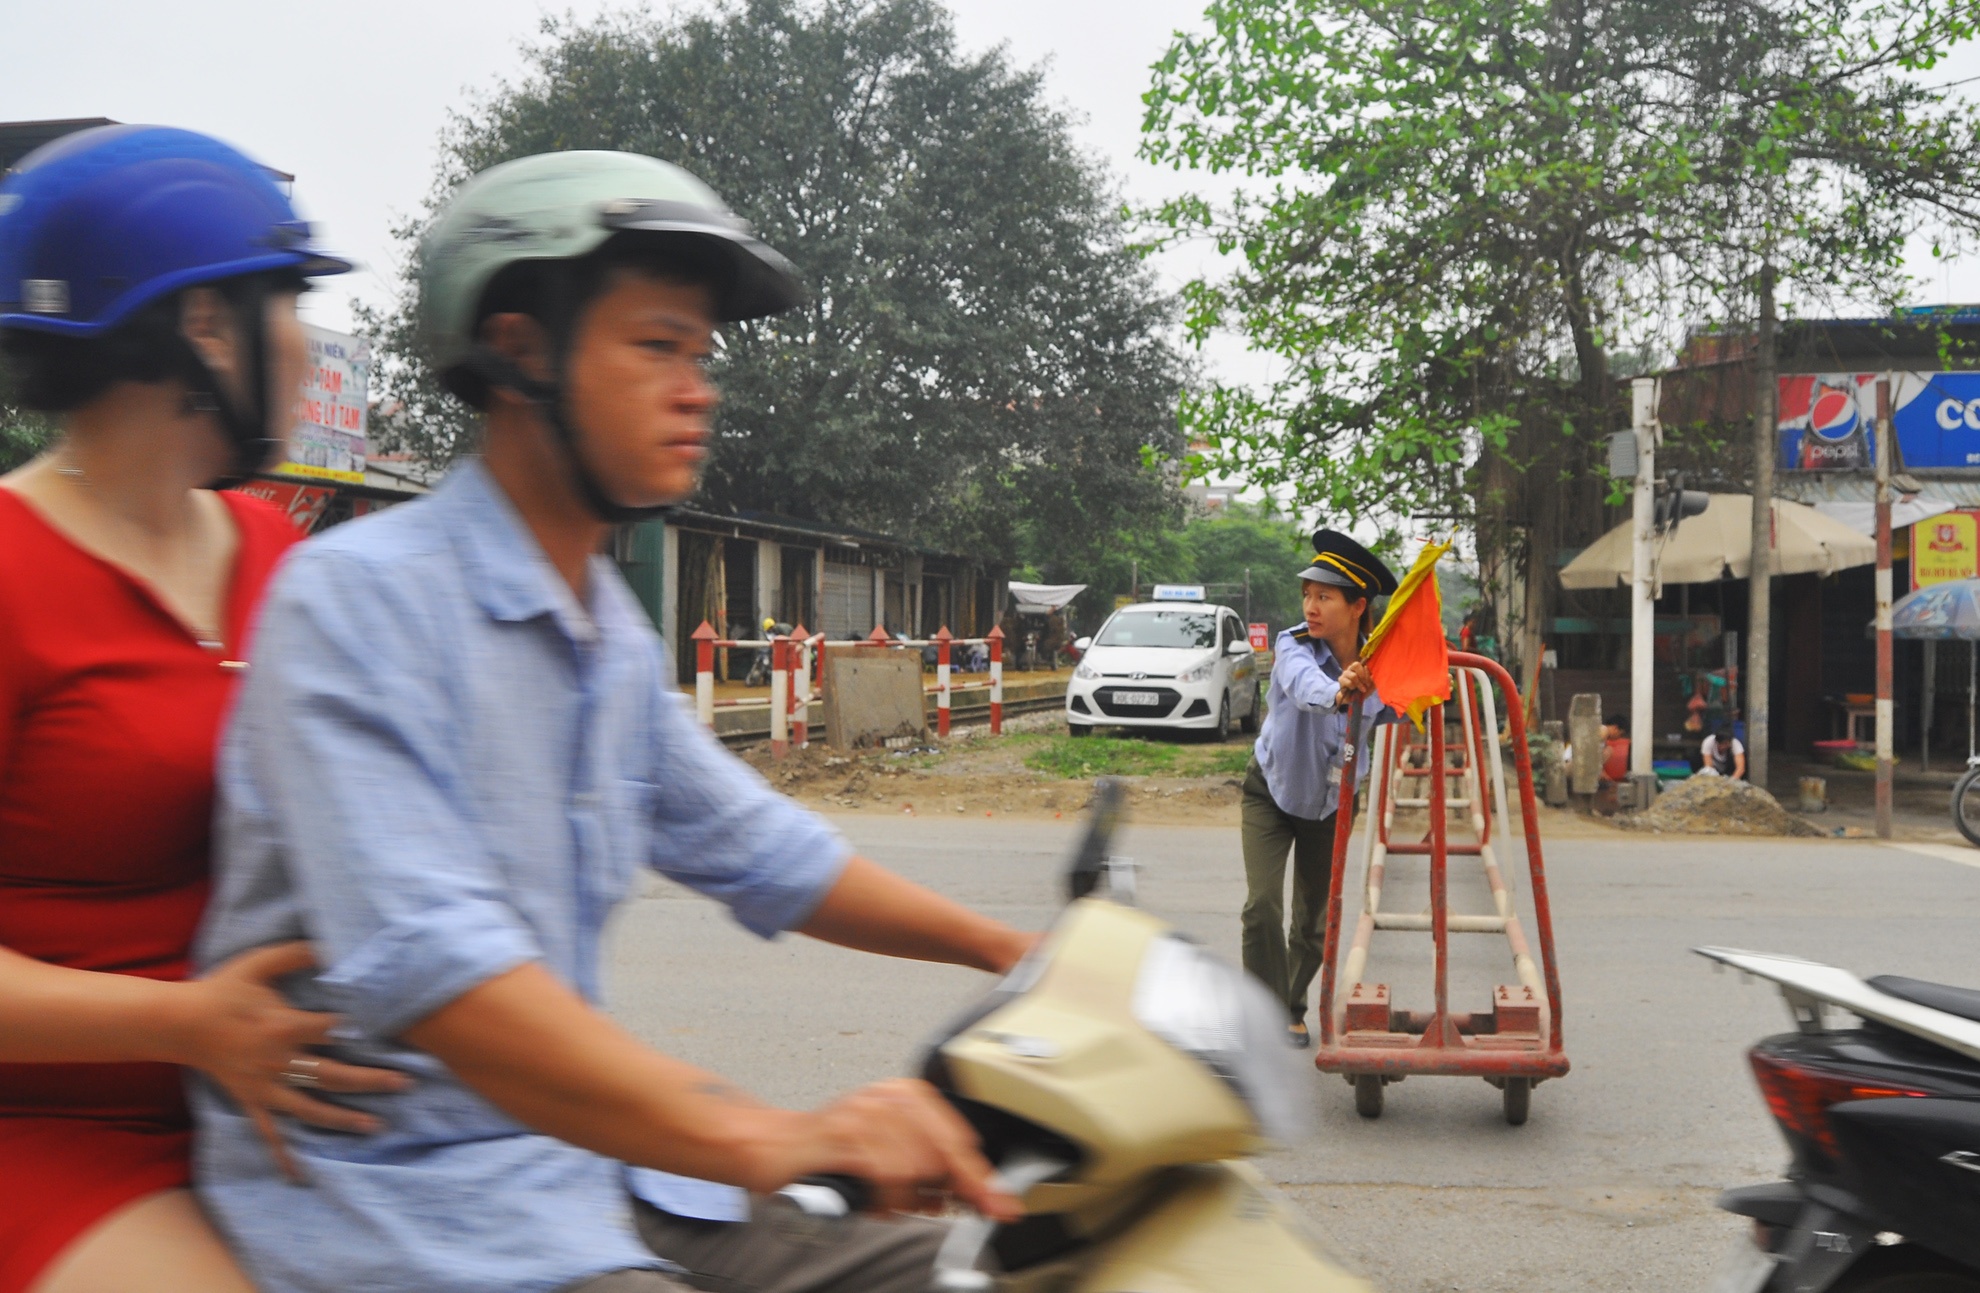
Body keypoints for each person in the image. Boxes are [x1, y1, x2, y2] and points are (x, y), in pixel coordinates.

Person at [193, 150, 1034, 1293]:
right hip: (402, 1210)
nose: (699, 389)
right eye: (655, 347)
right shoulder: (359, 606)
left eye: (701, 354)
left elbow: (762, 850)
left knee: (983, 1269)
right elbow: (443, 976)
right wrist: (773, 1136)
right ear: (521, 354)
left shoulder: (605, 634)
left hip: (589, 1175)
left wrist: (1017, 953)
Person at [0, 125, 406, 1293]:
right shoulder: (11, 570)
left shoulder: (276, 549)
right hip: (60, 1134)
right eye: (288, 303)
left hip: (281, 1100)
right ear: (205, 328)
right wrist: (187, 1024)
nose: (307, 344)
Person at [1241, 530, 1398, 1049]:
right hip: (1270, 790)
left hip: (1332, 803)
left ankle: (1290, 1004)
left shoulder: (1382, 663)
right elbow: (1309, 689)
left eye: (1324, 597)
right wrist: (1339, 690)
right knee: (1262, 906)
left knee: (1313, 923)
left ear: (1357, 607)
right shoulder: (1292, 645)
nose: (1310, 606)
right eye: (1307, 593)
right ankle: (1263, 1011)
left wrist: (1409, 679)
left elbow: (1404, 703)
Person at [1601, 714, 1631, 784]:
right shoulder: (1603, 730)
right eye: (1621, 734)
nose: (1619, 738)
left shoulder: (1604, 738)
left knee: (1608, 749)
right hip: (1576, 762)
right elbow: (1590, 752)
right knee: (1609, 750)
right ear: (1615, 728)